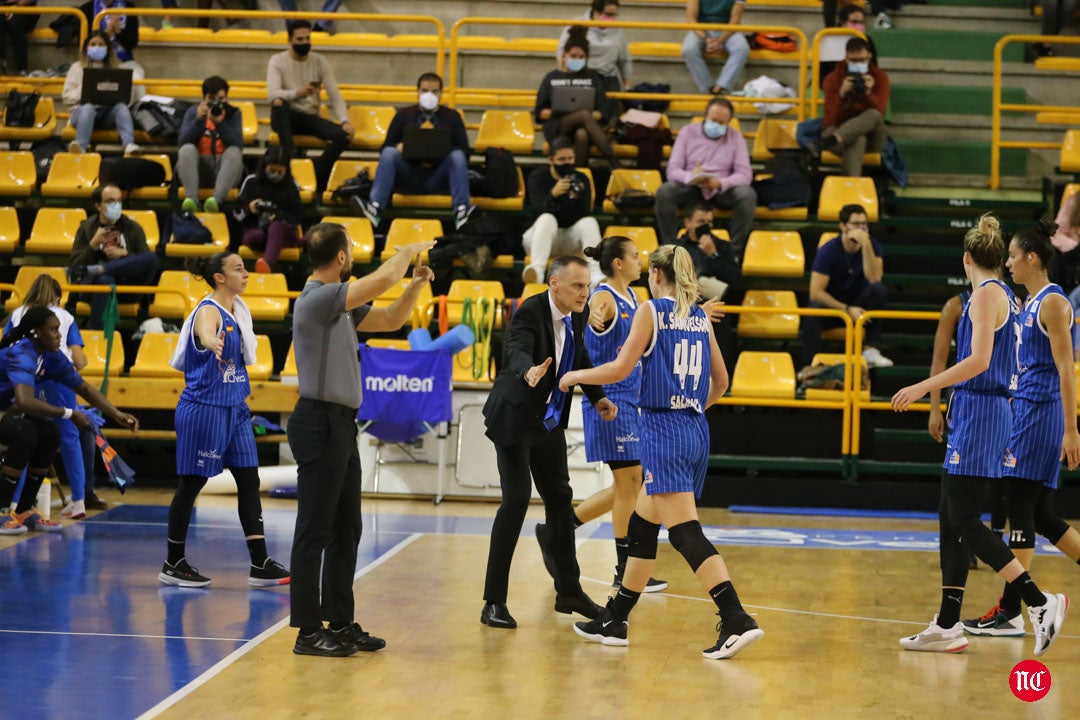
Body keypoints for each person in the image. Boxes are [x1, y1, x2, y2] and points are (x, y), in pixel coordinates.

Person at [561, 245, 763, 658]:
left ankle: (736, 617)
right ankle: (615, 620)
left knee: (685, 532)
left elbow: (619, 368)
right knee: (642, 525)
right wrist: (688, 407)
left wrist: (573, 376)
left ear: (655, 273)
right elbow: (722, 383)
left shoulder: (651, 311)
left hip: (661, 430)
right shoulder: (699, 318)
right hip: (695, 428)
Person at [891, 213, 1069, 657]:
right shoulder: (1002, 293)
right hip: (980, 409)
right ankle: (948, 622)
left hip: (985, 409)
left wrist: (924, 387)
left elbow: (980, 361)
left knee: (967, 520)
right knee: (950, 517)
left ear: (967, 258)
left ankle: (1038, 600)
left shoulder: (988, 294)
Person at [288, 222, 435, 657]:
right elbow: (382, 279)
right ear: (340, 258)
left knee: (347, 527)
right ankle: (307, 631)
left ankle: (340, 621)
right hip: (318, 423)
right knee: (313, 529)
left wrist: (414, 287)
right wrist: (407, 250)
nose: (353, 256)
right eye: (350, 250)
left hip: (340, 424)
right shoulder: (317, 298)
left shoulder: (340, 305)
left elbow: (391, 319)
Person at [481, 256, 616, 630]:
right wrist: (529, 371)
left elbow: (580, 359)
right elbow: (516, 349)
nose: (584, 293)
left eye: (587, 286)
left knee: (560, 502)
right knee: (517, 500)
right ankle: (493, 601)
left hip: (548, 423)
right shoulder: (530, 311)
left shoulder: (577, 313)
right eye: (577, 286)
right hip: (514, 419)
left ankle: (569, 592)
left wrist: (598, 397)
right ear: (554, 283)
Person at [961, 222, 1080, 637]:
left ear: (1033, 258)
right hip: (1027, 410)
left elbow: (1067, 369)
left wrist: (1071, 429)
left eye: (1013, 255)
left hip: (1042, 414)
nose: (1008, 262)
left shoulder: (1052, 303)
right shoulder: (1028, 303)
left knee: (1019, 502)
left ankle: (1012, 611)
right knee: (1043, 514)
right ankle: (1013, 609)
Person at [158, 252, 291, 589]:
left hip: (236, 407)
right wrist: (208, 340)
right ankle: (173, 562)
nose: (246, 274)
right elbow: (204, 330)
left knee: (249, 480)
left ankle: (260, 563)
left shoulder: (238, 311)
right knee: (192, 483)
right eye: (238, 269)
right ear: (219, 277)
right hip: (205, 408)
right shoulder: (209, 310)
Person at [555, 236, 669, 593]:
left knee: (630, 484)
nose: (641, 261)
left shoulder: (636, 297)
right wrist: (594, 317)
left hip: (632, 399)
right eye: (635, 256)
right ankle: (624, 569)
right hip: (609, 399)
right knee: (631, 483)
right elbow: (593, 317)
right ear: (617, 263)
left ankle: (560, 526)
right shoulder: (603, 296)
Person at [0, 307, 139, 535]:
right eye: (53, 330)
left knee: (49, 433)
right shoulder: (22, 353)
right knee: (25, 432)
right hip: (8, 411)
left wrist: (117, 414)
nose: (59, 335)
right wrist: (70, 413)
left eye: (59, 329)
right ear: (36, 332)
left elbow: (83, 388)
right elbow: (25, 401)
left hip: (8, 411)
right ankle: (2, 511)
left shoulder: (51, 356)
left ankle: (25, 511)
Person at [928, 291, 1008, 570]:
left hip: (996, 403)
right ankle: (965, 553)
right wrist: (935, 406)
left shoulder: (1007, 301)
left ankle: (994, 540)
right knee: (953, 503)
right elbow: (939, 360)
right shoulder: (955, 305)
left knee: (997, 485)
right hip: (967, 408)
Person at [3, 275, 93, 520]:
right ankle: (79, 501)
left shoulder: (18, 312)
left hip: (27, 377)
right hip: (54, 377)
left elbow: (7, 343)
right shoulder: (64, 316)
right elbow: (79, 359)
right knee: (68, 437)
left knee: (28, 436)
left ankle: (15, 503)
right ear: (56, 296)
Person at [353, 72, 475, 232]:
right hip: (409, 176)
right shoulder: (404, 115)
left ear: (441, 93)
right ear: (417, 91)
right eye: (425, 90)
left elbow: (465, 152)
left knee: (457, 156)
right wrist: (398, 147)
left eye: (434, 91)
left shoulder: (452, 117)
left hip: (438, 177)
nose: (429, 95)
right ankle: (375, 207)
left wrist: (445, 150)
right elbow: (385, 148)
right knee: (390, 153)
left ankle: (461, 211)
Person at [655, 97, 755, 253]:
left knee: (747, 194)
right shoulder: (687, 132)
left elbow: (745, 174)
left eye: (722, 123)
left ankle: (733, 252)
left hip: (721, 190)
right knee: (665, 191)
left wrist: (721, 183)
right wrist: (691, 178)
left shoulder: (736, 138)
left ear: (728, 122)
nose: (717, 125)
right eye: (713, 120)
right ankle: (670, 250)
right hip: (691, 187)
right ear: (705, 116)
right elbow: (673, 170)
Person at [799, 203, 892, 369]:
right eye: (856, 224)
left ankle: (869, 350)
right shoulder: (828, 251)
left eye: (864, 224)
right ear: (843, 226)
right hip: (834, 307)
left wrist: (866, 246)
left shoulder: (873, 245)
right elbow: (815, 292)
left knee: (878, 290)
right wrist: (847, 309)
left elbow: (875, 278)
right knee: (812, 312)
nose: (862, 228)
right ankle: (810, 368)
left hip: (861, 305)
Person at [267, 20, 354, 193]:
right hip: (286, 117)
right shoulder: (277, 61)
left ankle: (315, 171)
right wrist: (297, 93)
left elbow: (334, 95)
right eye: (300, 39)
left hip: (309, 117)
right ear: (290, 40)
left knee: (344, 135)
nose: (305, 43)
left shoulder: (319, 62)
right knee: (278, 104)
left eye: (307, 38)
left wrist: (344, 120)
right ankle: (289, 158)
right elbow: (273, 94)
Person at [68, 182, 160, 330]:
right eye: (111, 201)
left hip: (127, 287)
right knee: (105, 280)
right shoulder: (86, 228)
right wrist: (93, 245)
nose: (116, 205)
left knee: (153, 258)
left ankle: (103, 268)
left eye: (119, 201)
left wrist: (125, 254)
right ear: (98, 206)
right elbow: (75, 269)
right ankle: (98, 336)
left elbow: (144, 262)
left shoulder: (132, 227)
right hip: (94, 288)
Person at [534, 27, 622, 169]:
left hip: (585, 127)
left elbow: (601, 111)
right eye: (573, 56)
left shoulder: (592, 77)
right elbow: (540, 112)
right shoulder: (551, 77)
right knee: (582, 114)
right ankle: (615, 163)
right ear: (564, 55)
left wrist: (589, 115)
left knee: (582, 134)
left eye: (581, 57)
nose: (577, 60)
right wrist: (561, 111)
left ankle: (579, 174)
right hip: (557, 126)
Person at [521, 137, 602, 287]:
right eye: (562, 159)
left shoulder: (581, 179)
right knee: (547, 218)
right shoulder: (537, 177)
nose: (567, 163)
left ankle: (596, 274)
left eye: (571, 158)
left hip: (568, 238)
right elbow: (537, 210)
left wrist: (571, 197)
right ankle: (536, 271)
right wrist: (553, 195)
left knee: (589, 222)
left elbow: (583, 212)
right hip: (538, 238)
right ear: (551, 160)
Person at [818, 37, 889, 177]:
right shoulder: (833, 79)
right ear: (846, 58)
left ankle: (834, 138)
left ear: (869, 56)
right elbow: (831, 120)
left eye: (862, 60)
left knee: (873, 114)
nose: (858, 64)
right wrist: (841, 95)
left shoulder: (880, 77)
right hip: (838, 130)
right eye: (854, 61)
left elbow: (879, 115)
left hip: (872, 137)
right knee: (857, 139)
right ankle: (852, 187)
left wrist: (868, 94)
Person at [62, 31, 140, 155]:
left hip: (106, 114)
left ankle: (129, 144)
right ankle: (81, 148)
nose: (96, 47)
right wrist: (87, 86)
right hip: (82, 113)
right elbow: (66, 97)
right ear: (86, 47)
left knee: (121, 107)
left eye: (101, 44)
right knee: (88, 108)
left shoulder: (115, 69)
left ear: (107, 48)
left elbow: (126, 98)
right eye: (93, 44)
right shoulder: (76, 67)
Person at [178, 75, 244, 215]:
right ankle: (192, 200)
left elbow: (237, 144)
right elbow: (182, 143)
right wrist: (198, 121)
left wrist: (220, 123)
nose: (216, 104)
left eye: (221, 99)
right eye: (211, 99)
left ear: (226, 97)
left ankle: (215, 201)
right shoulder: (193, 112)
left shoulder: (234, 113)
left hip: (226, 171)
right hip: (199, 170)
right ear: (204, 99)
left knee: (234, 152)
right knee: (186, 149)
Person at [556, 1, 633, 117]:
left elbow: (625, 60)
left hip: (607, 77)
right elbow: (562, 51)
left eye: (614, 15)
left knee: (606, 108)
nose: (611, 19)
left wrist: (627, 86)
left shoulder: (618, 31)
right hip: (582, 75)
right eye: (608, 14)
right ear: (596, 12)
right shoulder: (578, 24)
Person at [235, 147, 304, 273]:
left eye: (280, 172)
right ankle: (298, 242)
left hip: (281, 231)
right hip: (257, 231)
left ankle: (267, 265)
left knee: (276, 227)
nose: (275, 175)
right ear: (265, 166)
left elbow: (298, 216)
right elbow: (237, 212)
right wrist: (249, 208)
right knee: (256, 236)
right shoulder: (251, 181)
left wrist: (278, 216)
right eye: (272, 170)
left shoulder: (291, 185)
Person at [674, 203, 742, 302]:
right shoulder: (674, 247)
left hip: (716, 304)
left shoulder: (723, 246)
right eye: (701, 221)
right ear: (687, 223)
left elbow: (735, 280)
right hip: (682, 303)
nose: (706, 226)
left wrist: (713, 254)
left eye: (709, 222)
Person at [682, 0, 749, 96]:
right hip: (701, 28)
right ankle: (708, 86)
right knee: (688, 50)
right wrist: (706, 38)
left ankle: (720, 87)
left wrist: (720, 40)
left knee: (742, 49)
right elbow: (691, 18)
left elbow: (735, 19)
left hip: (727, 29)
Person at [0, 0, 40, 75]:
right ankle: (2, 63)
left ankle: (21, 69)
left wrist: (17, 7)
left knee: (15, 25)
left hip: (25, 7)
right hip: (2, 7)